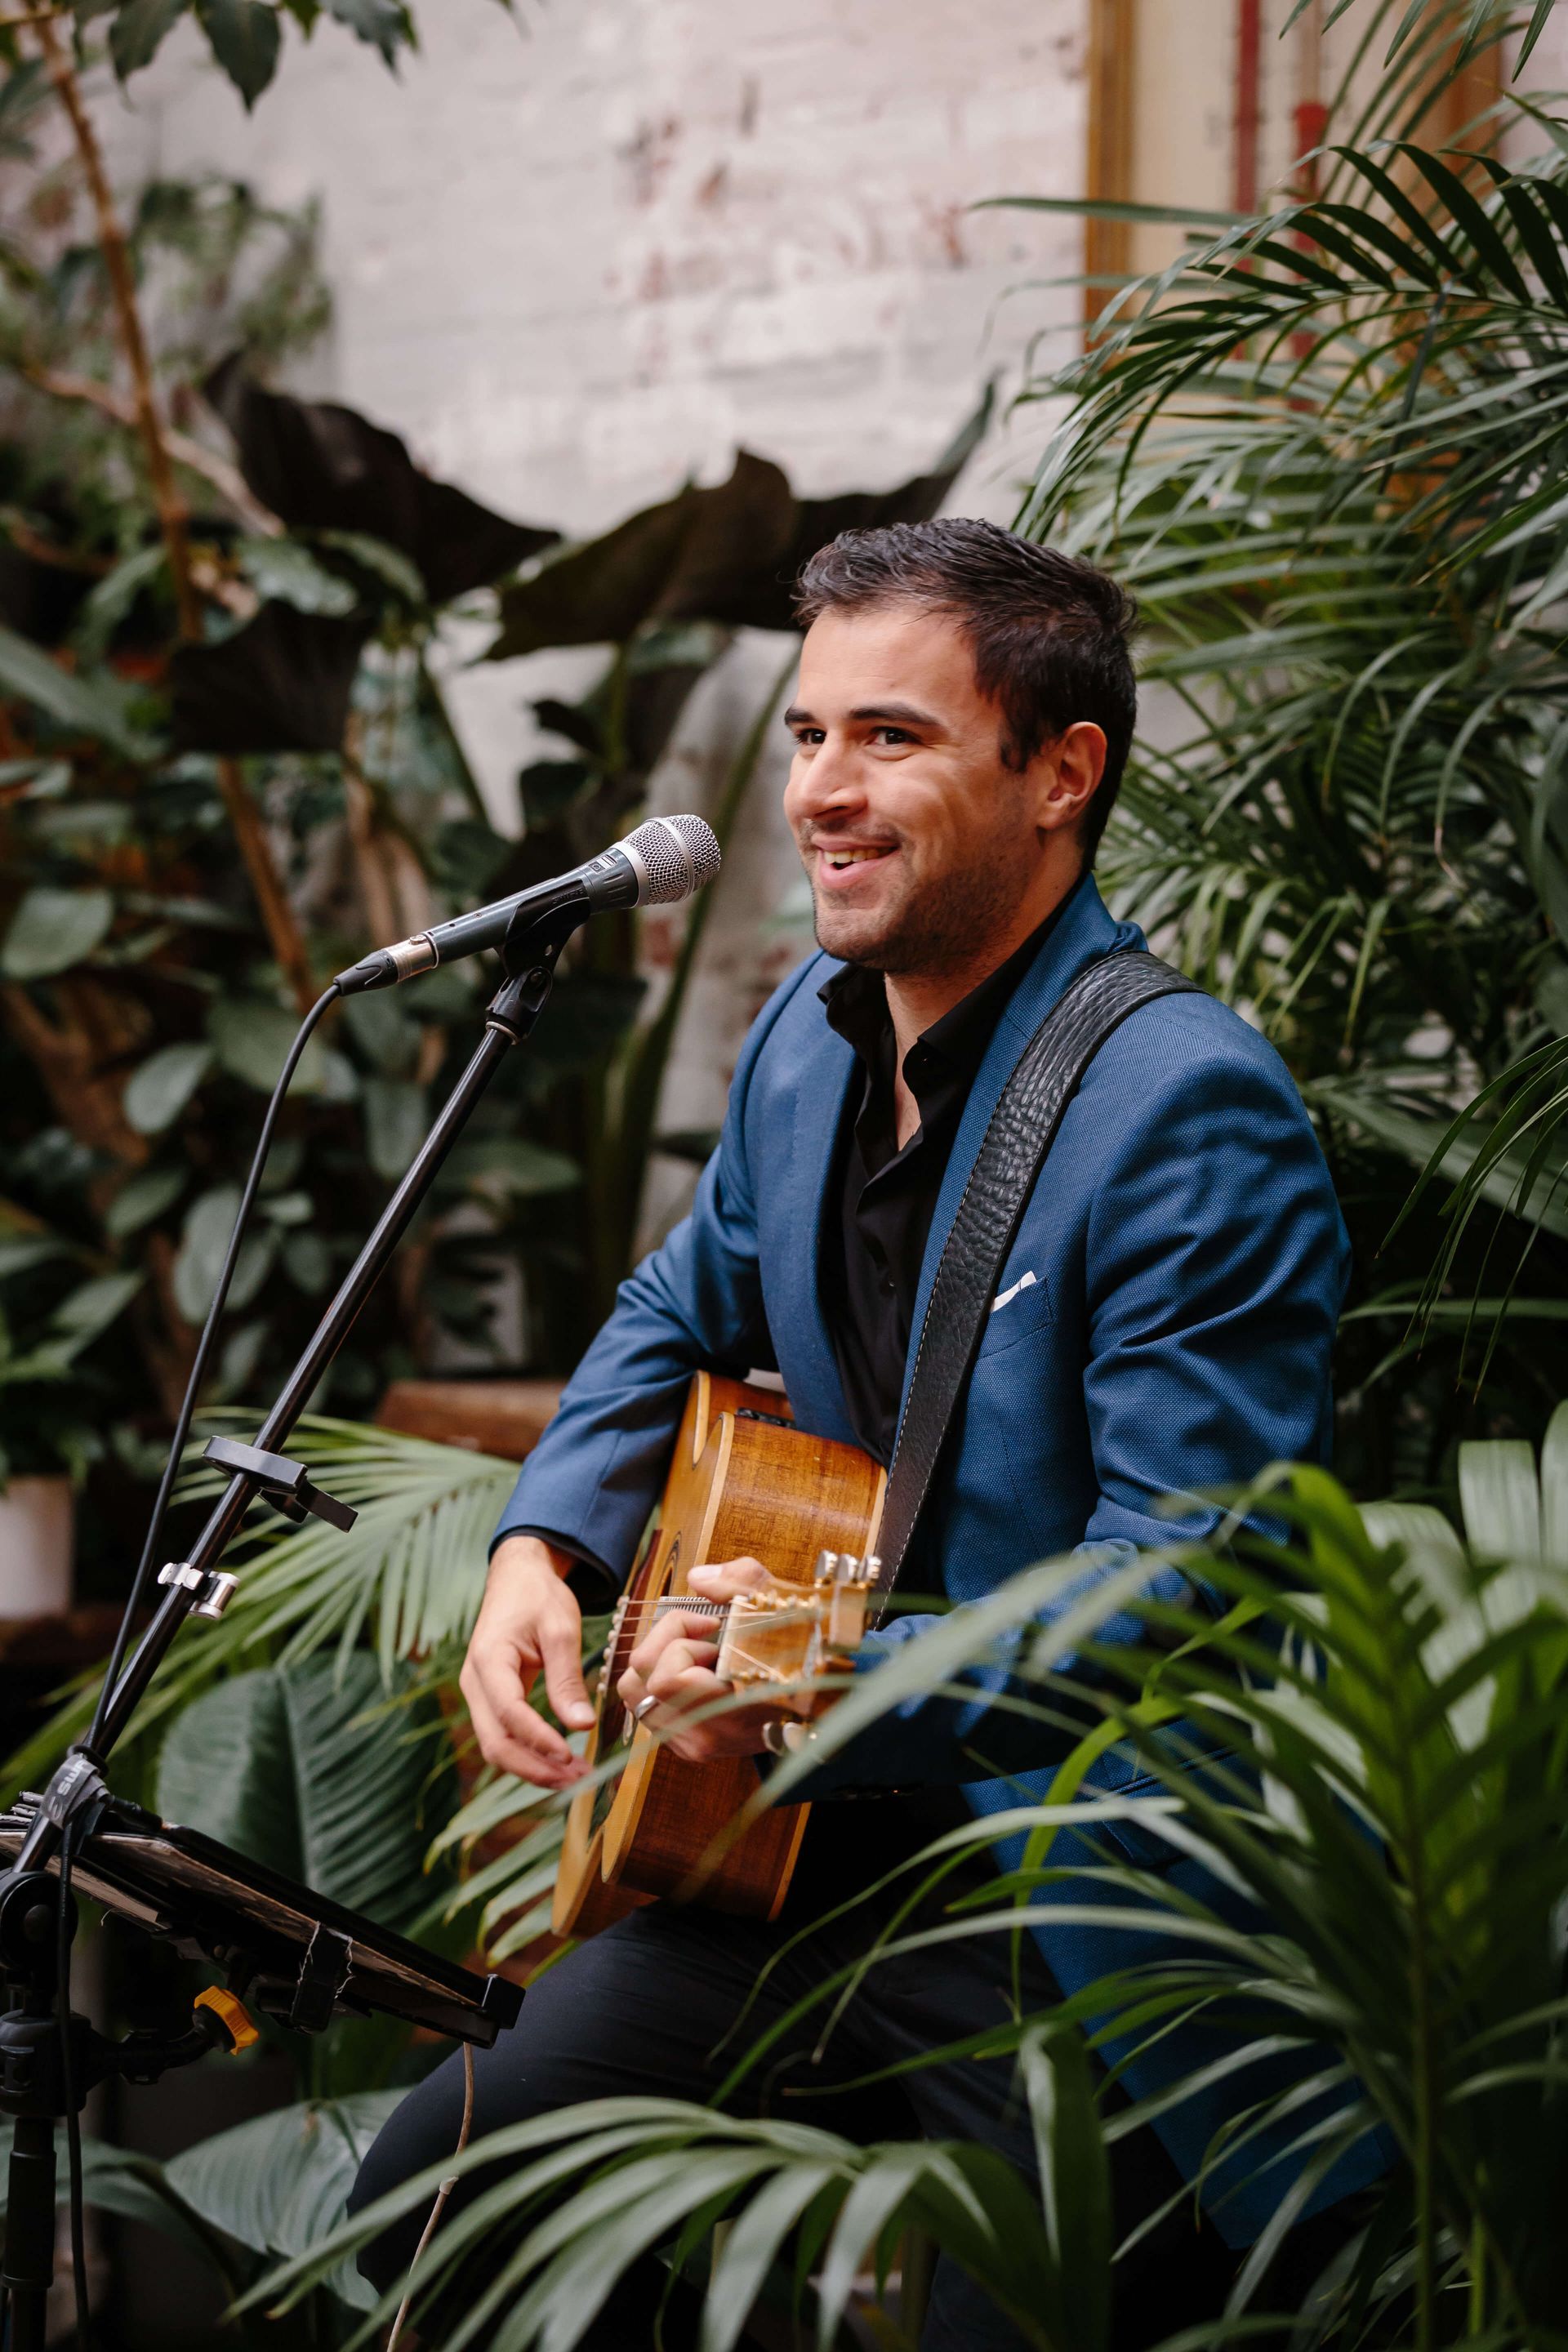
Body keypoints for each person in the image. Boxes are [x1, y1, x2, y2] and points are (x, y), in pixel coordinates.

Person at [351, 519, 1383, 2347]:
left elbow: (1186, 1593)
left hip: (1077, 1914)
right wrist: (545, 1544)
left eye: (890, 737)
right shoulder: (803, 1050)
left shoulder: (1183, 1108)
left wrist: (813, 1670)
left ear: (1061, 773)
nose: (824, 788)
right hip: (797, 1854)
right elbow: (685, 1303)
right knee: (445, 2206)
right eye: (810, 736)